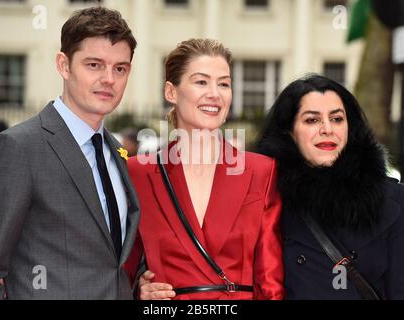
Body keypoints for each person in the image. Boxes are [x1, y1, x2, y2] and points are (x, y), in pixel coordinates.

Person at [0, 7, 140, 299]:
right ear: (63, 65)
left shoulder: (116, 151)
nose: (109, 79)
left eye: (120, 68)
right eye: (94, 65)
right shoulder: (17, 149)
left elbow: (110, 263)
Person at [126, 39, 284, 300]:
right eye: (201, 82)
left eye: (224, 83)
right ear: (171, 92)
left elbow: (270, 278)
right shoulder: (138, 172)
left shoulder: (261, 171)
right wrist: (138, 292)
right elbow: (121, 270)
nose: (215, 93)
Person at [258, 74, 404, 299]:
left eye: (337, 119)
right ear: (289, 131)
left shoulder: (393, 200)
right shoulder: (266, 203)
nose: (327, 129)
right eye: (311, 120)